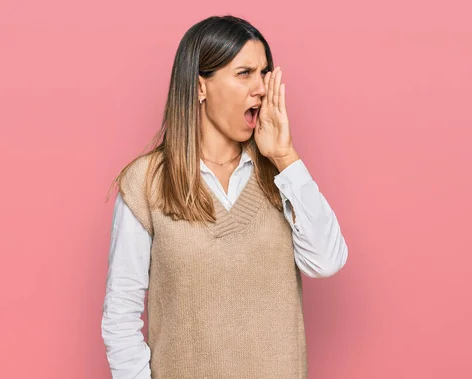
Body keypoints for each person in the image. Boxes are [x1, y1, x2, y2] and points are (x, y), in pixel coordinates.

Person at [101, 15, 348, 379]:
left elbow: (326, 262)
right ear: (201, 87)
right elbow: (120, 315)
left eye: (264, 73)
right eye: (244, 73)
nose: (261, 88)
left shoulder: (281, 177)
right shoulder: (147, 183)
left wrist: (285, 157)